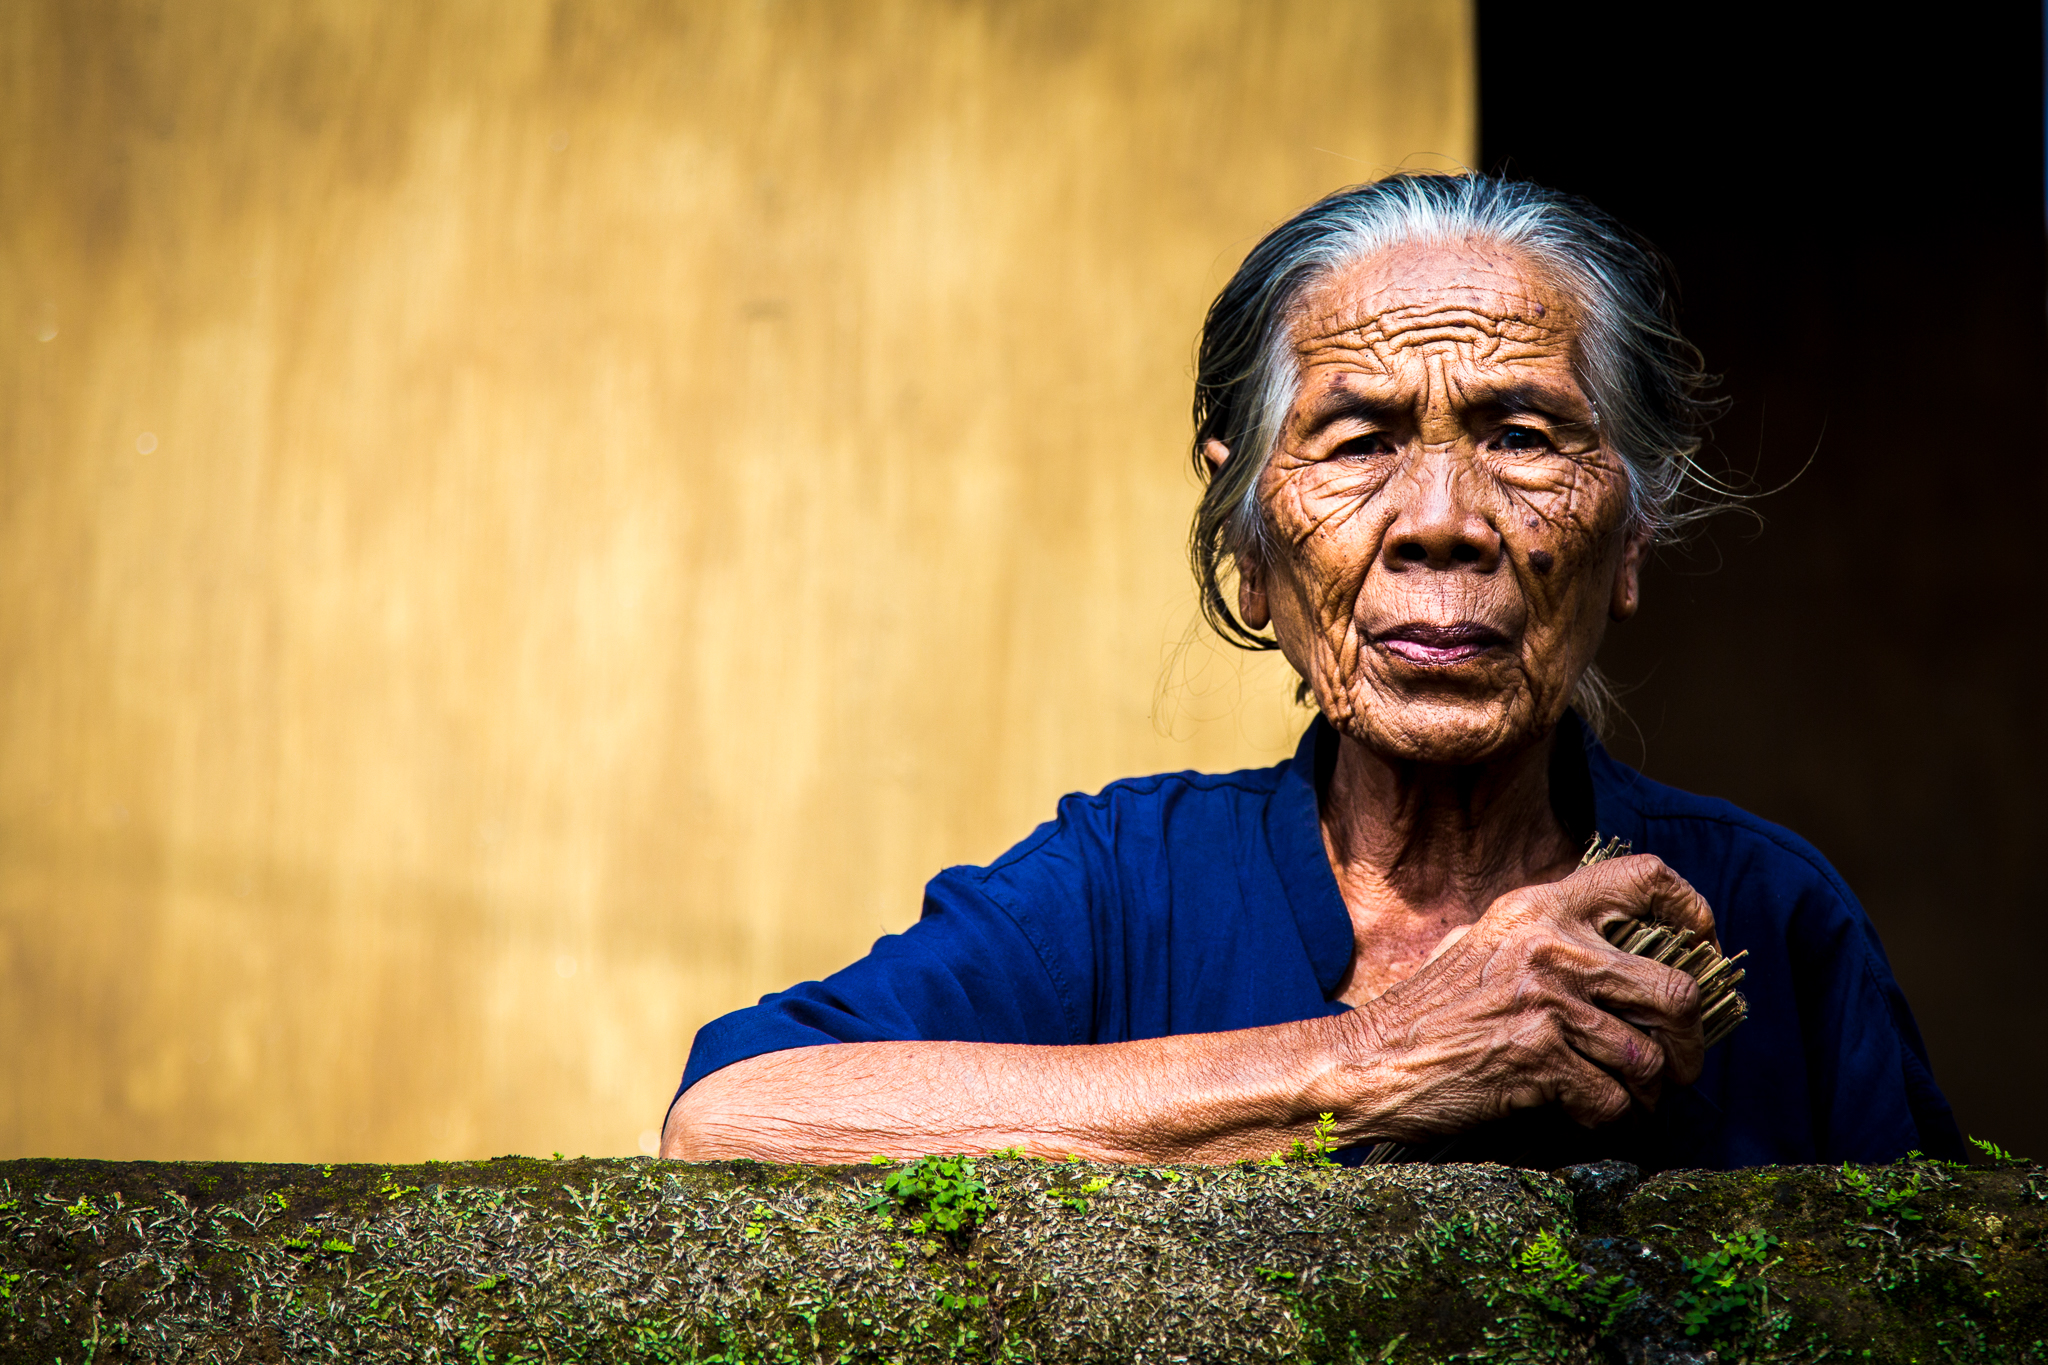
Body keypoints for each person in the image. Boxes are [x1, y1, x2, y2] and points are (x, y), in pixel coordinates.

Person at [660, 174, 1963, 1170]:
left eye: (1523, 434)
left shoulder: (1765, 920)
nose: (1443, 516)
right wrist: (1381, 1058)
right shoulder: (1128, 891)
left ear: (1629, 535)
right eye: (1356, 439)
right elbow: (736, 1113)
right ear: (1249, 552)